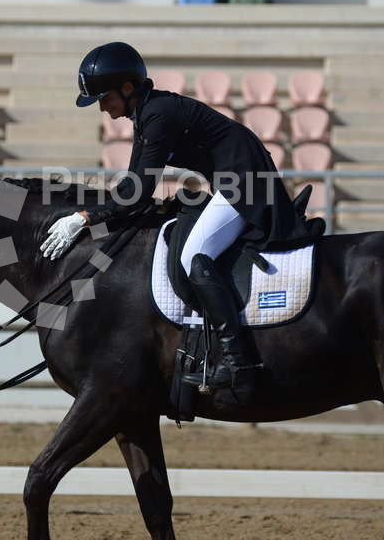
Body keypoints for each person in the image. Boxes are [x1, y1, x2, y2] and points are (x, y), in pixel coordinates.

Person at [39, 41, 315, 398]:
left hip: (244, 181)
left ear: (127, 87)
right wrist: (91, 213)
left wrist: (85, 217)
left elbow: (138, 191)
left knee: (193, 256)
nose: (103, 108)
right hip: (232, 178)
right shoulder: (146, 114)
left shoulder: (158, 114)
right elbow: (133, 185)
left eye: (104, 99)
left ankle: (238, 360)